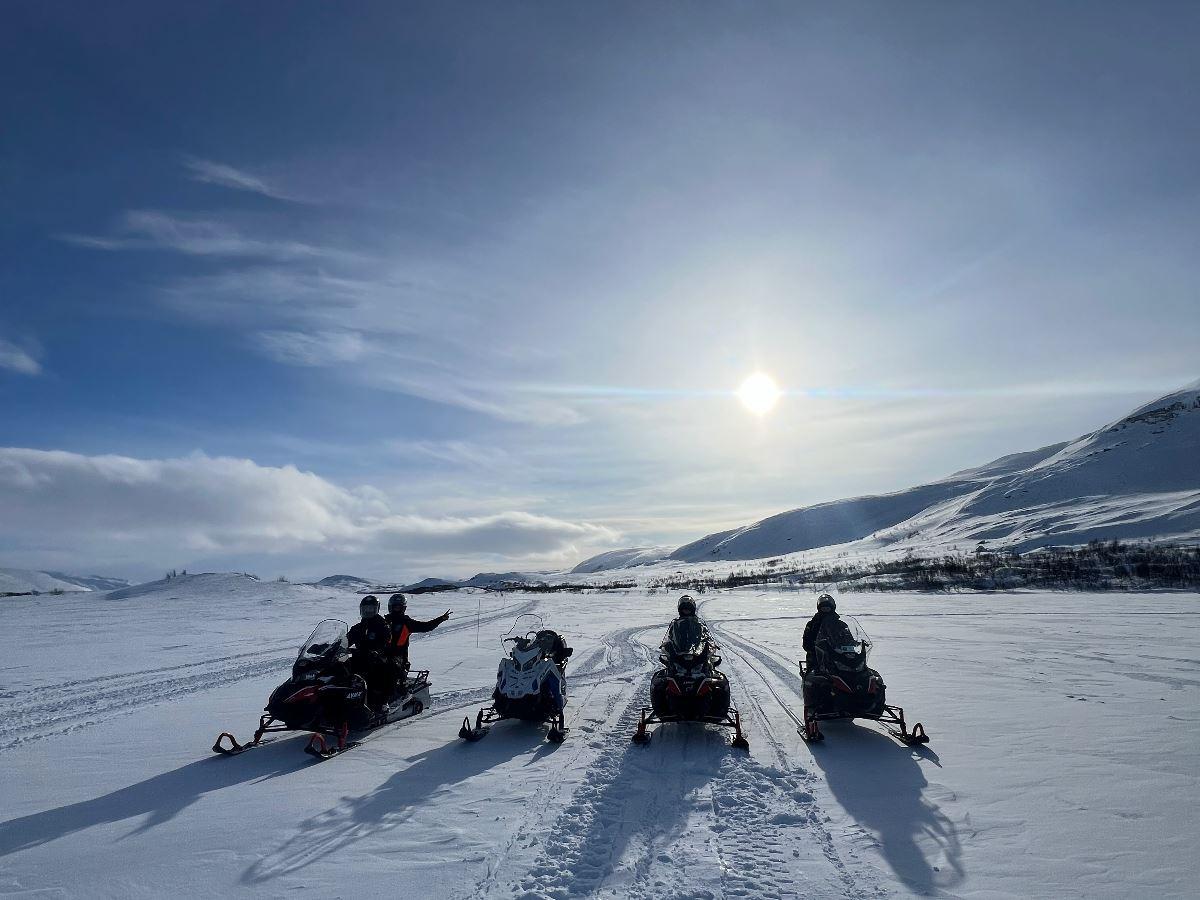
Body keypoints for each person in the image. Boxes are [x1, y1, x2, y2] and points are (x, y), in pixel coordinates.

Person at [384, 593, 451, 686]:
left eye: (399, 607)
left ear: (403, 608)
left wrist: (440, 619)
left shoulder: (407, 622)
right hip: (382, 657)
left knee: (390, 679)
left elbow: (426, 626)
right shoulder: (384, 621)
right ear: (390, 607)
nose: (396, 609)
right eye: (395, 607)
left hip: (398, 660)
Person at [347, 595, 394, 707]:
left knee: (381, 670)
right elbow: (346, 640)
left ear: (376, 609)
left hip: (378, 657)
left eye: (371, 609)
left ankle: (383, 702)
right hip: (360, 657)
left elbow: (386, 642)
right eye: (365, 609)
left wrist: (377, 651)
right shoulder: (357, 628)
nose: (367, 611)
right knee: (342, 667)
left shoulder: (383, 626)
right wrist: (329, 647)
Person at [802, 593, 840, 672]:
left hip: (837, 654)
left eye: (827, 608)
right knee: (814, 673)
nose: (826, 611)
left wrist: (855, 644)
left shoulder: (840, 624)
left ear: (832, 608)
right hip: (818, 656)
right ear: (819, 609)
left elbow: (848, 638)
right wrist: (815, 647)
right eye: (823, 609)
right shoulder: (812, 624)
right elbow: (806, 642)